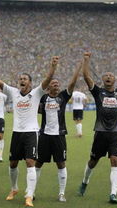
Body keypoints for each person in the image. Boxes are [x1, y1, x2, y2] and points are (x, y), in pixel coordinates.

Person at [0, 56, 59, 207]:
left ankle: (29, 195)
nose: (21, 80)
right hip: (17, 133)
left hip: (31, 133)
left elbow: (47, 79)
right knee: (13, 163)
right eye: (20, 78)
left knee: (30, 162)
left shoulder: (36, 93)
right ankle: (14, 188)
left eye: (24, 79)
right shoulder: (13, 92)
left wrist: (53, 67)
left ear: (30, 82)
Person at [78, 51, 117, 204]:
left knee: (115, 160)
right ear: (103, 79)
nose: (108, 77)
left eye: (111, 76)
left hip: (115, 133)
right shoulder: (98, 92)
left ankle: (113, 194)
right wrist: (86, 60)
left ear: (114, 80)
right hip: (100, 133)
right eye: (106, 75)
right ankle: (85, 182)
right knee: (93, 161)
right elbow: (87, 77)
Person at [35, 62, 82, 202]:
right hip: (44, 135)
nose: (56, 84)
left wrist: (78, 68)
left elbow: (72, 83)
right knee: (38, 163)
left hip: (59, 135)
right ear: (48, 86)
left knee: (61, 163)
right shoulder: (43, 98)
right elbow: (36, 111)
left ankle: (61, 193)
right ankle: (31, 191)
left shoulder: (63, 96)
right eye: (53, 83)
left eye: (57, 83)